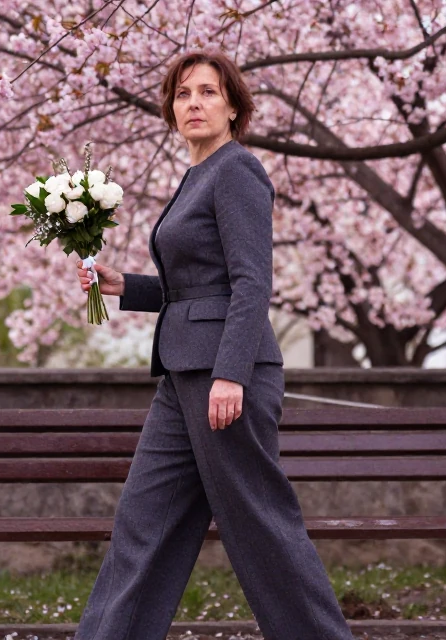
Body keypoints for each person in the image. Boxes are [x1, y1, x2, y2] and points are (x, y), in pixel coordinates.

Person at [71, 50, 354, 640]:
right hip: (181, 378)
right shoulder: (197, 174)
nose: (193, 103)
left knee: (260, 528)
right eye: (182, 94)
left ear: (232, 105)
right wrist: (127, 286)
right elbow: (199, 286)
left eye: (207, 92)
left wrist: (233, 374)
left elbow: (252, 281)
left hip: (226, 379)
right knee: (142, 522)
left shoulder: (237, 169)